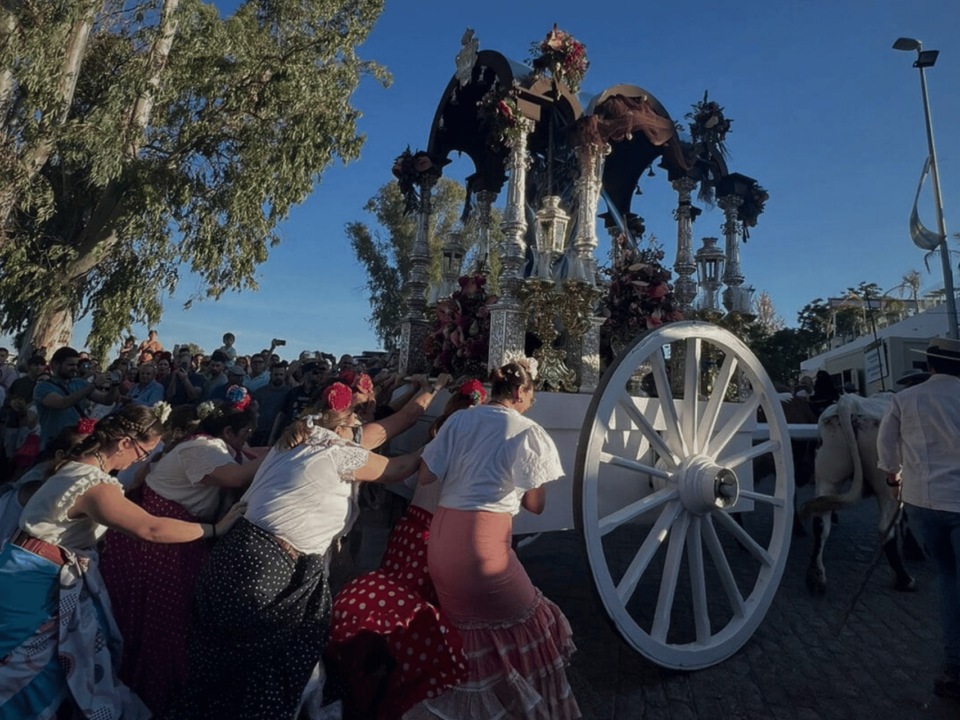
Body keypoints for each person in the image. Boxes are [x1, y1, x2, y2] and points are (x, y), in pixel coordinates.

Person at [167, 381, 423, 720]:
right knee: (271, 669)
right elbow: (398, 469)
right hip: (271, 567)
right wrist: (442, 444)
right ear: (343, 424)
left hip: (236, 551)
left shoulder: (291, 442)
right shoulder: (336, 450)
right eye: (356, 426)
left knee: (222, 664)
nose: (359, 432)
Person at [0, 404, 245, 720]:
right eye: (142, 453)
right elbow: (150, 529)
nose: (140, 460)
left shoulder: (75, 468)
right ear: (125, 443)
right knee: (27, 672)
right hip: (35, 582)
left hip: (24, 568)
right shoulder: (93, 486)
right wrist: (215, 528)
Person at [412, 359, 580, 719]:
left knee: (471, 640)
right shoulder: (527, 431)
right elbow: (535, 505)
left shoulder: (458, 419)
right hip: (482, 547)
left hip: (440, 544)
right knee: (532, 623)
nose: (533, 401)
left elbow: (426, 476)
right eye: (532, 392)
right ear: (519, 391)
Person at [327, 379, 486, 720]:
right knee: (415, 611)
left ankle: (380, 668)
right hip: (432, 533)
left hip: (408, 529)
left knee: (396, 599)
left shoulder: (439, 436)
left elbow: (412, 480)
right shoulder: (472, 444)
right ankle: (403, 679)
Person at [99, 392, 264, 715]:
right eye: (244, 432)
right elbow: (237, 475)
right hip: (160, 540)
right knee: (161, 622)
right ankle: (150, 692)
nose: (248, 439)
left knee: (167, 619)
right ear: (227, 432)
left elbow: (252, 455)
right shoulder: (201, 450)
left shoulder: (217, 446)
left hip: (175, 538)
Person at [878, 337, 960, 701]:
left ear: (929, 367)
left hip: (924, 502)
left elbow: (886, 445)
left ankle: (954, 666)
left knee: (947, 578)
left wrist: (893, 475)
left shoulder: (904, 399)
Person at [34, 346, 120, 449]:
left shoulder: (80, 383)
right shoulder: (43, 386)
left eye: (76, 365)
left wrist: (115, 384)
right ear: (55, 365)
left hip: (77, 441)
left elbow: (107, 400)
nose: (74, 368)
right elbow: (62, 403)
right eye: (70, 365)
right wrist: (93, 385)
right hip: (52, 442)